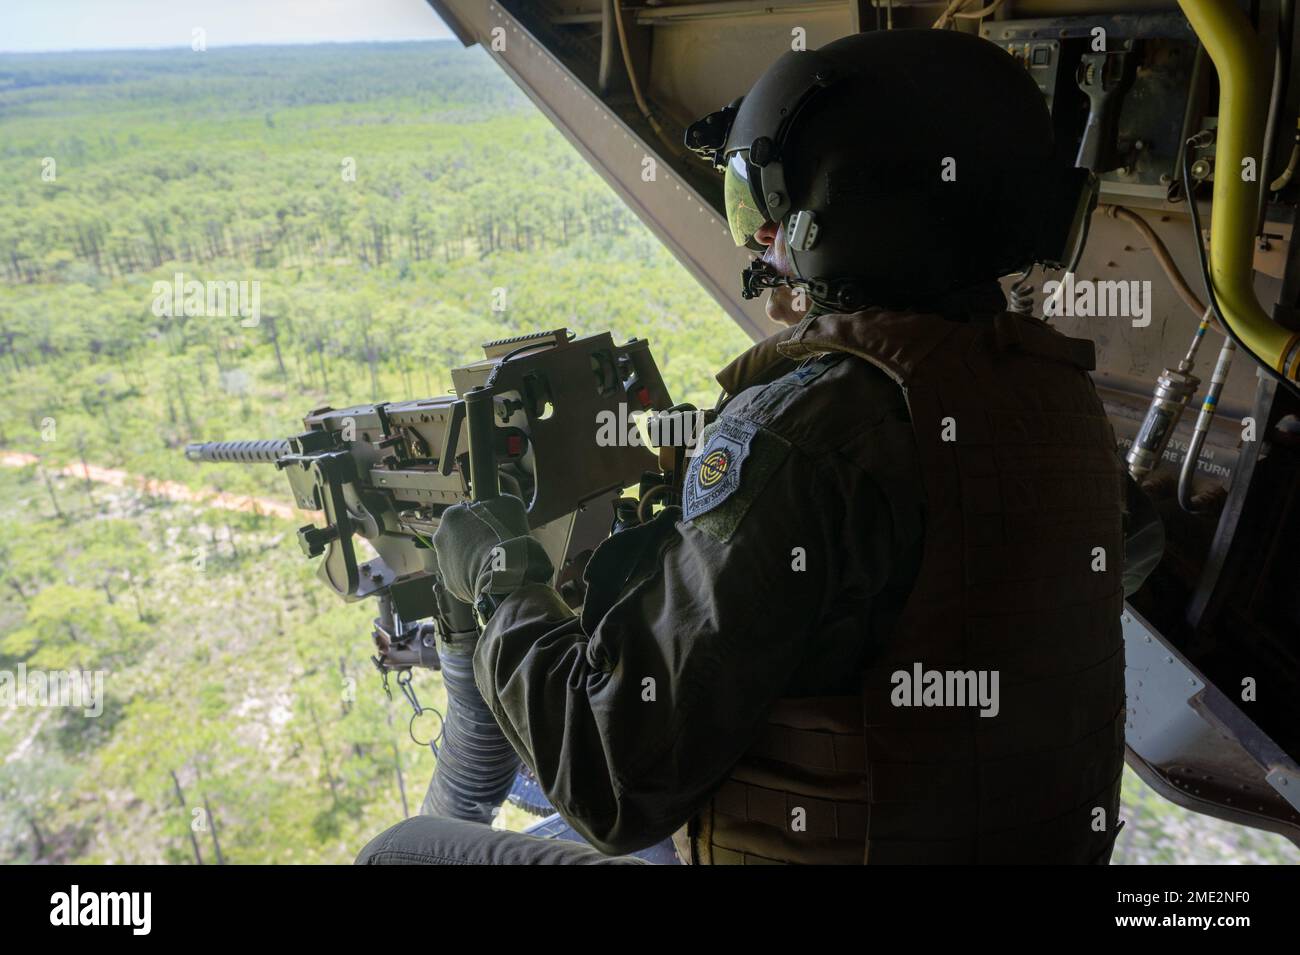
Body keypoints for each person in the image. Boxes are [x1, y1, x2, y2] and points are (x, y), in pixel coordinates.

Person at [356, 28, 1163, 866]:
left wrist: (502, 582)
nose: (757, 240)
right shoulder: (1057, 393)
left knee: (402, 850)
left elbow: (607, 776)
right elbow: (1125, 545)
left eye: (762, 205)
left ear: (840, 210)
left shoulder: (805, 433)